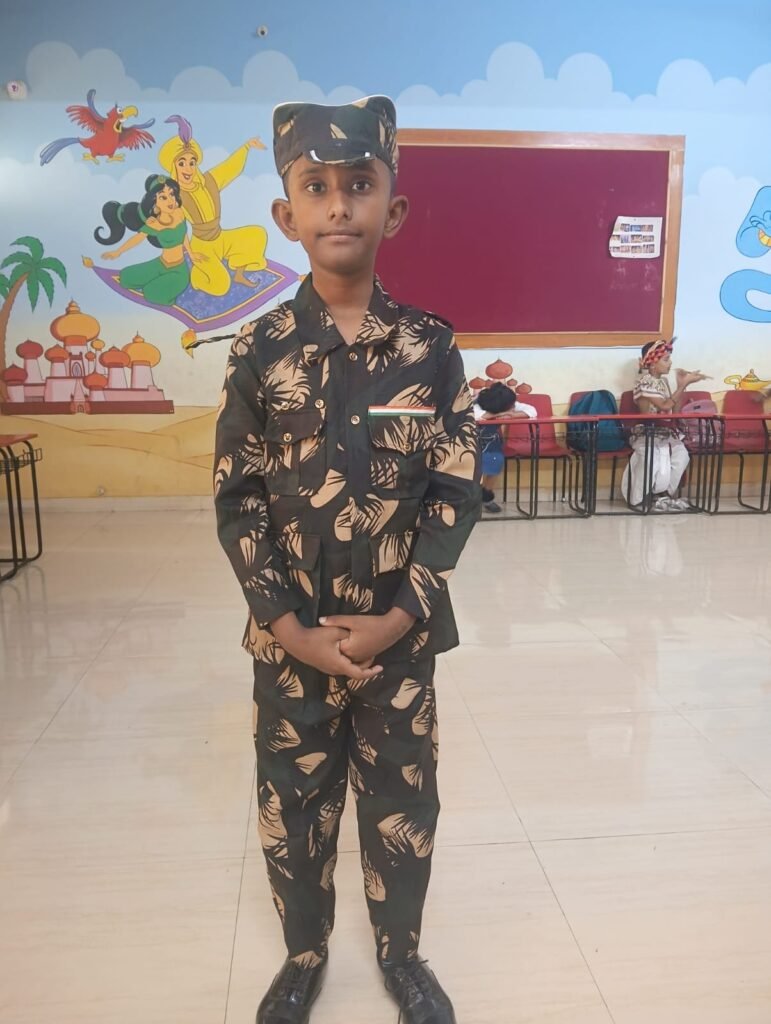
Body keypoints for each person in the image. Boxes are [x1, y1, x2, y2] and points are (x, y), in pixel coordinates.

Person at [213, 96, 481, 1024]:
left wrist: (398, 616)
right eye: (315, 186)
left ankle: (401, 956)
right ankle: (303, 955)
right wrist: (289, 626)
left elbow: (454, 491)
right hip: (291, 641)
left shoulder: (429, 347)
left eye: (359, 185)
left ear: (391, 209)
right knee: (293, 804)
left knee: (403, 802)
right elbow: (238, 498)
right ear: (285, 214)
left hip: (398, 639)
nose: (338, 204)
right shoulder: (258, 349)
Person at [159, 115, 269, 295]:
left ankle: (238, 273)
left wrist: (247, 146)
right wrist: (190, 253)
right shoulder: (174, 195)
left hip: (221, 238)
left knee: (257, 234)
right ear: (173, 167)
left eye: (192, 162)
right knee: (221, 286)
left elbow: (230, 167)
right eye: (182, 163)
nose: (188, 168)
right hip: (202, 245)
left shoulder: (209, 181)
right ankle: (197, 276)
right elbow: (178, 226)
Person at [621, 338, 709, 511]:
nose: (670, 363)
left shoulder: (664, 382)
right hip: (646, 432)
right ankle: (638, 499)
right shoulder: (644, 382)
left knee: (682, 455)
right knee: (651, 459)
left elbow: (674, 409)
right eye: (666, 359)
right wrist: (683, 385)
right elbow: (664, 406)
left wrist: (680, 385)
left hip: (664, 433)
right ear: (653, 363)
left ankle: (663, 494)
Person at [95, 174, 205, 306]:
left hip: (178, 270)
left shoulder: (179, 213)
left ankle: (161, 288)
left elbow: (184, 235)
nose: (170, 200)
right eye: (163, 197)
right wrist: (118, 252)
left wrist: (192, 254)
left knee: (151, 293)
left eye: (171, 194)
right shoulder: (155, 224)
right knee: (126, 277)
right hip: (160, 264)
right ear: (154, 202)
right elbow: (138, 238)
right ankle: (155, 280)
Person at [473, 382, 536, 513]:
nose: (513, 406)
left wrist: (512, 414)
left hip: (492, 442)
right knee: (474, 467)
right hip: (471, 443)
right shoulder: (476, 403)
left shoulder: (508, 403)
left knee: (496, 459)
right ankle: (472, 498)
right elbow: (477, 415)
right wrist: (500, 414)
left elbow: (532, 411)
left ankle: (486, 495)